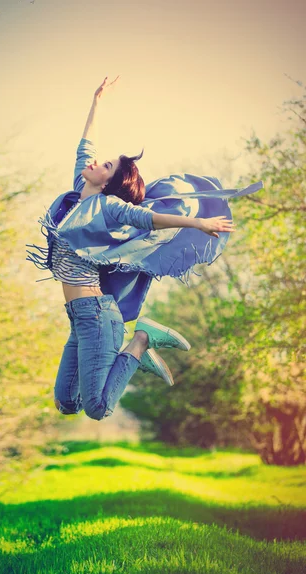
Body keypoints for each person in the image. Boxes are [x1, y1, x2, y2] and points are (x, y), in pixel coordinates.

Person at [26, 76, 263, 421]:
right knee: (67, 403)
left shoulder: (108, 209)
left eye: (105, 166)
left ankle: (140, 340)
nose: (96, 163)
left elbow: (149, 218)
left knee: (98, 408)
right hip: (79, 318)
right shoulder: (77, 193)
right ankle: (137, 346)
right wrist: (98, 99)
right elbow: (84, 146)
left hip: (97, 315)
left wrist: (198, 223)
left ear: (109, 183)